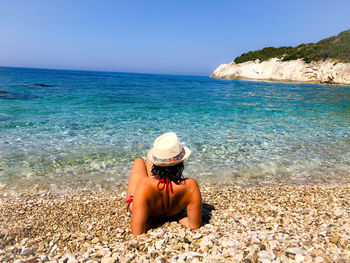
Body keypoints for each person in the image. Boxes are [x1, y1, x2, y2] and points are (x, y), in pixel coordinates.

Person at [126, 132, 202, 235]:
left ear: (156, 165)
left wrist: (150, 222)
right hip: (174, 211)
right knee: (149, 159)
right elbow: (194, 225)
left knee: (138, 162)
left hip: (150, 209)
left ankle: (157, 172)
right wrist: (178, 218)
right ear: (181, 163)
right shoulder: (191, 185)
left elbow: (137, 232)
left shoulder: (144, 185)